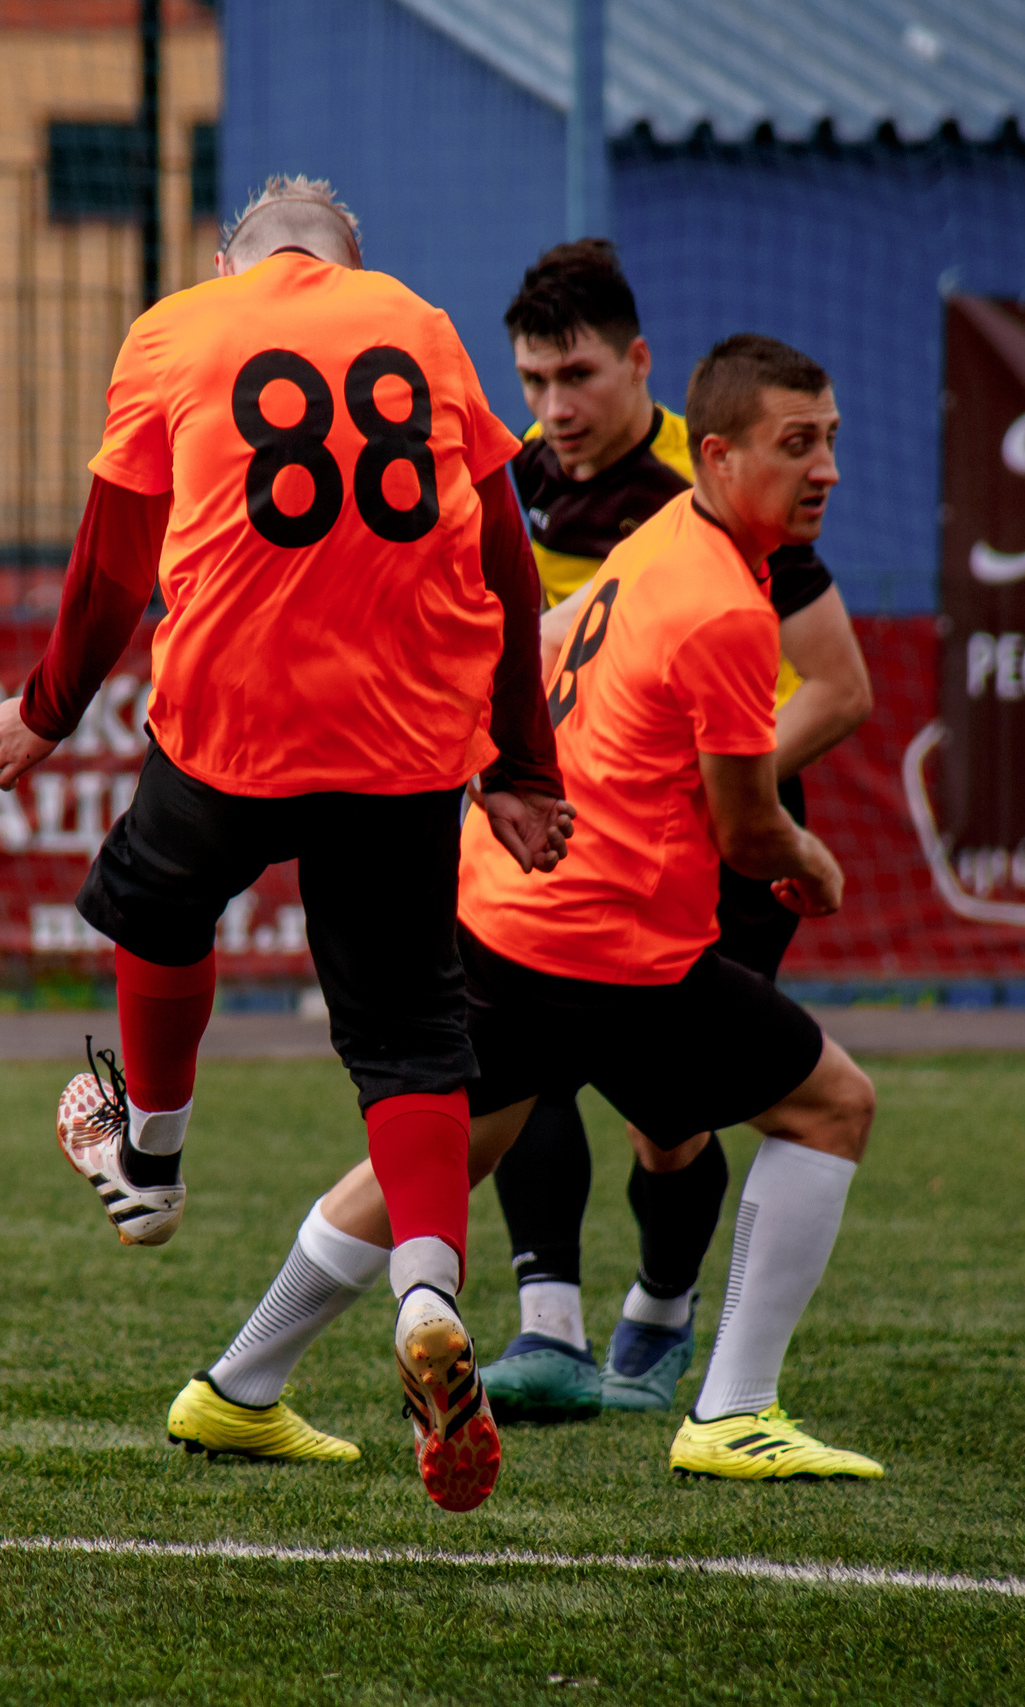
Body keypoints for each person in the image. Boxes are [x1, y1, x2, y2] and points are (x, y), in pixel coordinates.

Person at [0, 177, 571, 1513]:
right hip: (404, 737)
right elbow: (509, 567)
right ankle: (422, 1295)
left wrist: (44, 710)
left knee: (155, 908)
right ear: (358, 259)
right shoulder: (418, 321)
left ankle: (155, 1161)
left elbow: (115, 564)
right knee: (411, 1038)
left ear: (233, 256)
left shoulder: (178, 328)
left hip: (230, 721)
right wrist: (523, 765)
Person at [173, 334, 886, 1484]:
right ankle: (732, 1411)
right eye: (796, 445)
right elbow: (751, 828)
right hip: (605, 946)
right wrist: (808, 859)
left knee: (445, 1154)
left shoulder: (664, 540)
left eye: (832, 444)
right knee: (831, 1106)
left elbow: (545, 647)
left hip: (506, 916)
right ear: (716, 455)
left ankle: (236, 1389)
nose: (826, 470)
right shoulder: (721, 608)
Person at [484, 242, 873, 1424]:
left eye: (579, 376)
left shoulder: (717, 480)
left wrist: (718, 800)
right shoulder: (514, 484)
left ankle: (658, 1311)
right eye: (534, 380)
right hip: (575, 842)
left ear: (640, 366)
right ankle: (547, 1325)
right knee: (527, 1062)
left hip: (714, 843)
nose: (554, 407)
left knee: (671, 1119)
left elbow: (836, 686)